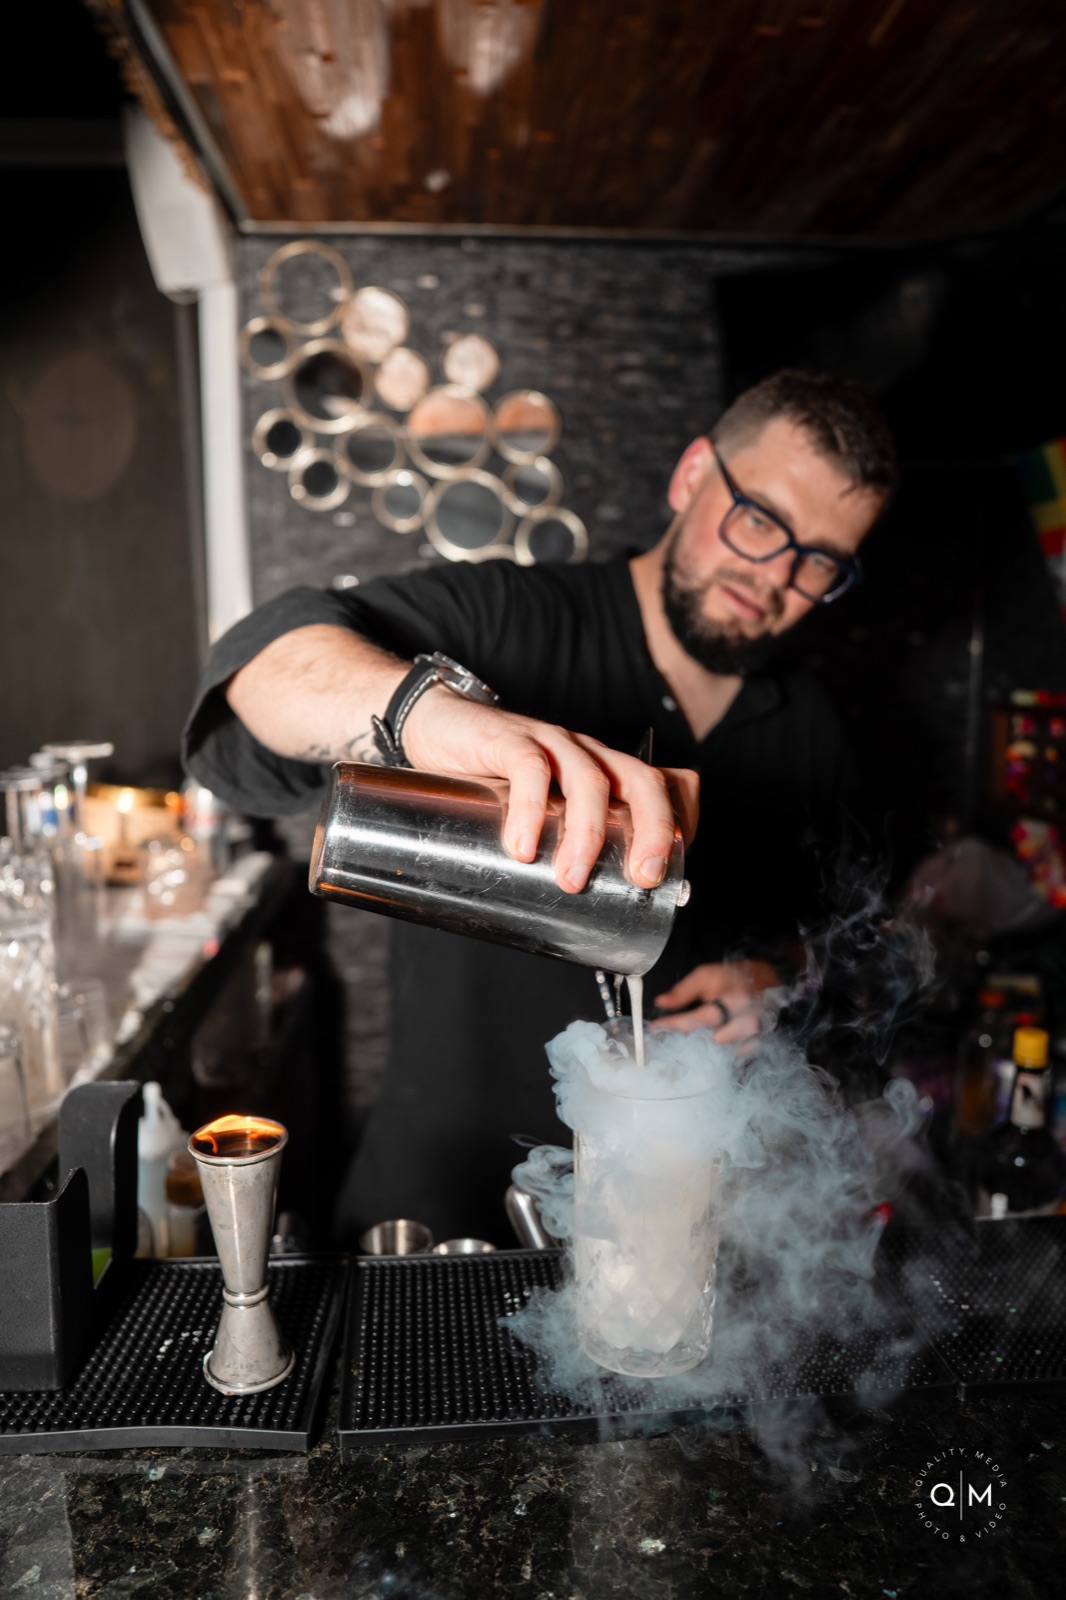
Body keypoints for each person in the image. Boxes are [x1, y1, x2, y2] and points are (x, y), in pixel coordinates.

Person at [184, 369, 897, 1244]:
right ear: (691, 477)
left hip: (669, 1220)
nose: (776, 576)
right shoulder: (508, 619)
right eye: (759, 520)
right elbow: (263, 664)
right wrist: (431, 720)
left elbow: (833, 938)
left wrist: (773, 982)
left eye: (819, 560)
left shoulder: (810, 725)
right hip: (445, 1207)